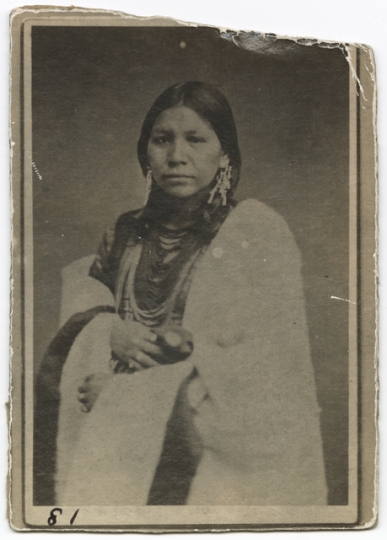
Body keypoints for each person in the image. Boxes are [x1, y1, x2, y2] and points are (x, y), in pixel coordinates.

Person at [34, 81, 327, 507]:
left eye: (196, 139)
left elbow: (266, 374)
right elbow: (83, 319)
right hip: (111, 450)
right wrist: (106, 330)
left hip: (202, 458)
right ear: (145, 152)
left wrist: (121, 398)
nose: (177, 156)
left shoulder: (255, 235)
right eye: (162, 140)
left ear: (224, 153)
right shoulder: (123, 234)